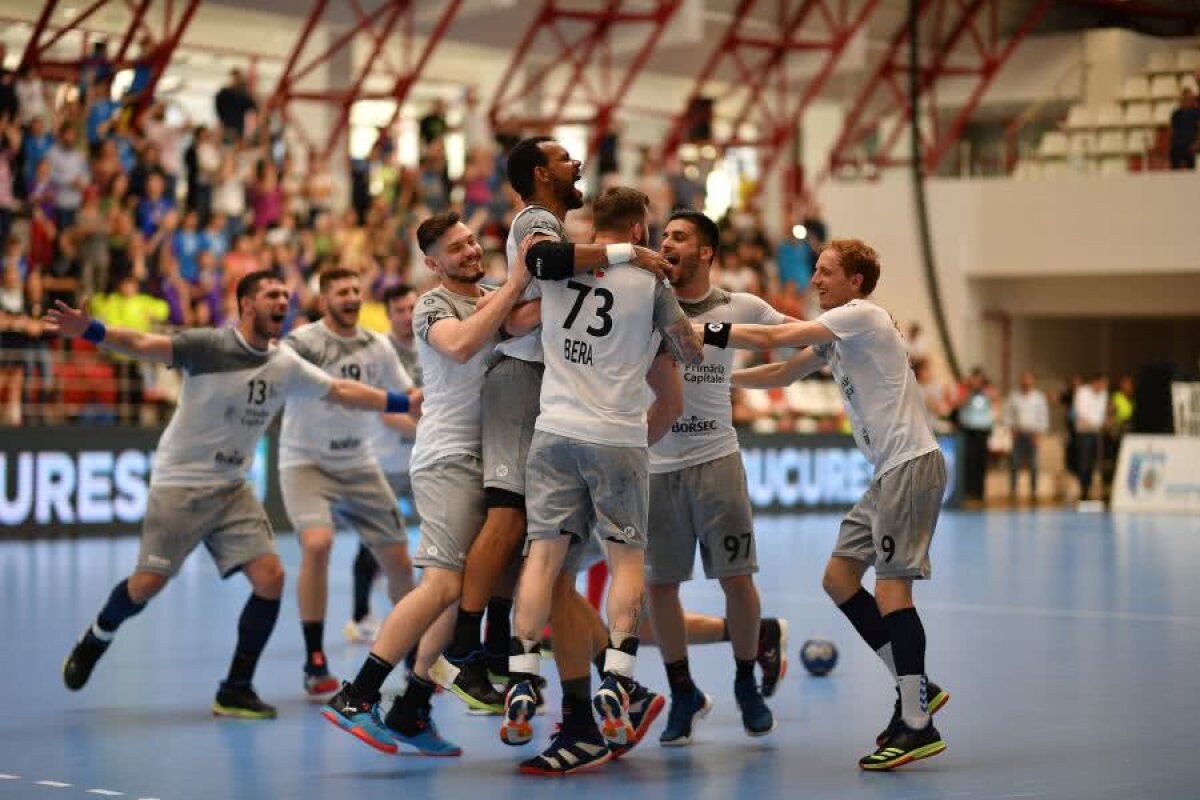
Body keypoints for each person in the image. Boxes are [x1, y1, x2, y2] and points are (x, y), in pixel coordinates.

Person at [54, 270, 417, 718]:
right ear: (246, 303)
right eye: (271, 294)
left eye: (286, 294)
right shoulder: (209, 345)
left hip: (232, 489)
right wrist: (89, 330)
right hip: (181, 483)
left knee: (271, 577)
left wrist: (404, 403)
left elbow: (342, 390)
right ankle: (97, 636)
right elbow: (145, 345)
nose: (283, 301)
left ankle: (235, 688)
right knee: (147, 584)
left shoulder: (284, 363)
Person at [432, 136, 669, 711]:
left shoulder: (563, 229)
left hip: (549, 389)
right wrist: (626, 256)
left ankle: (509, 654)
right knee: (509, 517)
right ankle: (467, 646)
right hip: (520, 379)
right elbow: (542, 271)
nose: (577, 164)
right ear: (541, 173)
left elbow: (542, 299)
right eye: (565, 158)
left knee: (541, 547)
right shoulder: (539, 219)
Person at [713, 238, 951, 770]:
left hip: (911, 465)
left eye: (825, 273)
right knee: (839, 579)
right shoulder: (838, 335)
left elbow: (778, 335)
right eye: (816, 271)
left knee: (892, 592)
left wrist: (704, 331)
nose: (815, 280)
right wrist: (714, 379)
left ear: (856, 283)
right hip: (886, 472)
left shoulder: (861, 317)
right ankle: (917, 686)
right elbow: (780, 371)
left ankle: (917, 723)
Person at [501, 186, 704, 775]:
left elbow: (520, 314)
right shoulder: (652, 284)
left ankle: (521, 673)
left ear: (594, 227)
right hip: (617, 436)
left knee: (543, 557)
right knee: (626, 562)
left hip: (554, 429)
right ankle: (617, 676)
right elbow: (689, 354)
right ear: (640, 231)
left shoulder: (560, 270)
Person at [322, 212, 531, 755]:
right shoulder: (432, 305)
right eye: (455, 249)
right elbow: (461, 346)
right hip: (446, 456)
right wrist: (513, 285)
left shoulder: (494, 294)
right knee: (441, 585)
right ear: (433, 263)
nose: (469, 251)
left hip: (488, 459)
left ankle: (412, 706)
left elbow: (533, 320)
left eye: (470, 241)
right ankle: (357, 693)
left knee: (463, 589)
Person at [648, 208, 790, 746]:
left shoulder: (742, 306)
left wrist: (853, 329)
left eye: (679, 237)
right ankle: (681, 691)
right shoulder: (645, 303)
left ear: (706, 251)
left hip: (717, 460)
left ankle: (745, 680)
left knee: (737, 579)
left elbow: (798, 332)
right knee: (661, 587)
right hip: (658, 463)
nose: (667, 243)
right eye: (664, 236)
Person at [278, 268, 418, 699]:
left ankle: (413, 655)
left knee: (399, 561)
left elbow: (412, 396)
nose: (352, 297)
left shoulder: (378, 347)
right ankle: (314, 657)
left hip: (359, 463)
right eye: (341, 292)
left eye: (357, 290)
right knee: (317, 544)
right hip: (307, 462)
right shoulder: (302, 344)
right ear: (324, 300)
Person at [346, 284, 423, 644]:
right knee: (373, 543)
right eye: (400, 310)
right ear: (389, 314)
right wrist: (427, 430)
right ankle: (360, 615)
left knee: (440, 539)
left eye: (412, 308)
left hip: (424, 462)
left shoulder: (430, 342)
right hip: (387, 461)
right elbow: (384, 411)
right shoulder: (378, 352)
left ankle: (428, 615)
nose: (408, 316)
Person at [1004, 371, 1049, 502]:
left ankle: (1034, 491)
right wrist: (1011, 430)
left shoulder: (1039, 398)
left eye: (1029, 380)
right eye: (1024, 380)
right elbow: (1008, 414)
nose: (1026, 382)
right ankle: (1013, 491)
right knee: (1014, 463)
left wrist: (1039, 433)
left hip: (1033, 434)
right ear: (1021, 381)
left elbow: (1043, 416)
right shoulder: (1014, 397)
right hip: (1018, 433)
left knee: (1033, 464)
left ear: (1033, 381)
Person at [956, 367, 994, 503]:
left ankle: (979, 492)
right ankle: (967, 492)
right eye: (974, 378)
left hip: (983, 431)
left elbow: (995, 400)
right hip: (968, 430)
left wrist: (984, 390)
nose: (977, 381)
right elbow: (958, 403)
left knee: (981, 462)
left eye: (979, 379)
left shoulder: (987, 391)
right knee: (968, 461)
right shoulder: (965, 390)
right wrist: (969, 390)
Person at [1073, 373, 1108, 504]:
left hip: (1096, 433)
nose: (1104, 387)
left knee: (1093, 464)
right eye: (1102, 384)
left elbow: (1100, 413)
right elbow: (1081, 413)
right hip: (1084, 432)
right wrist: (1097, 424)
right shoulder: (1082, 392)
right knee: (1083, 463)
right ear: (1096, 382)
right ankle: (1083, 492)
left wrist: (1101, 424)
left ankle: (1089, 490)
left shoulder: (1103, 394)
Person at [1168, 88, 1200, 170]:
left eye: (1189, 98)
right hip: (1177, 146)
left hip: (1191, 145)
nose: (1186, 100)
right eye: (1184, 98)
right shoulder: (1176, 114)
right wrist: (1171, 143)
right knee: (1175, 169)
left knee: (1192, 169)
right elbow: (1172, 130)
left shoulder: (1197, 112)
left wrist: (1197, 143)